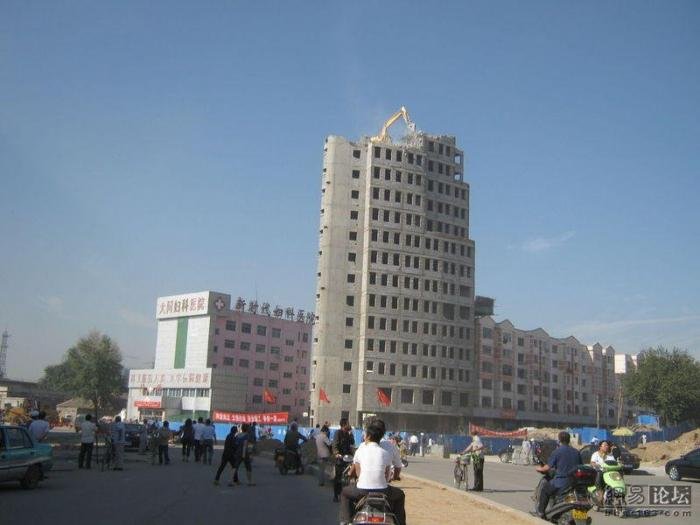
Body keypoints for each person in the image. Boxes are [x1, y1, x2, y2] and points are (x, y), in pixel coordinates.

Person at [339, 421, 406, 525]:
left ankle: (345, 522)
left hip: (362, 490)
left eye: (365, 435)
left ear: (368, 436)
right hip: (383, 491)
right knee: (400, 495)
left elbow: (358, 473)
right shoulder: (385, 453)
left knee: (344, 493)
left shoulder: (360, 449)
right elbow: (387, 475)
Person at [533, 431, 582, 518]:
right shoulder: (576, 452)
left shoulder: (557, 452)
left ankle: (540, 512)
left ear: (559, 440)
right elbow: (580, 466)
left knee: (545, 489)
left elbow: (547, 468)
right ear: (569, 440)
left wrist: (539, 468)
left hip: (561, 483)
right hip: (574, 483)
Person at [332, 418, 355, 502]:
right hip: (340, 458)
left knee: (349, 476)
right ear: (344, 425)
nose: (349, 425)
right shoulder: (338, 433)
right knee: (338, 477)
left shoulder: (348, 434)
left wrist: (351, 434)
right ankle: (336, 495)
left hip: (348, 457)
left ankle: (347, 494)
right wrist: (337, 453)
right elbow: (335, 444)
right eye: (348, 423)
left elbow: (352, 442)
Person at [590, 440, 616, 504]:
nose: (606, 447)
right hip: (598, 473)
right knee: (599, 473)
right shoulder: (596, 454)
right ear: (600, 447)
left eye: (607, 445)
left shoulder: (610, 456)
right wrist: (597, 465)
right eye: (604, 445)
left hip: (608, 474)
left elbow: (614, 463)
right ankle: (600, 492)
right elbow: (592, 463)